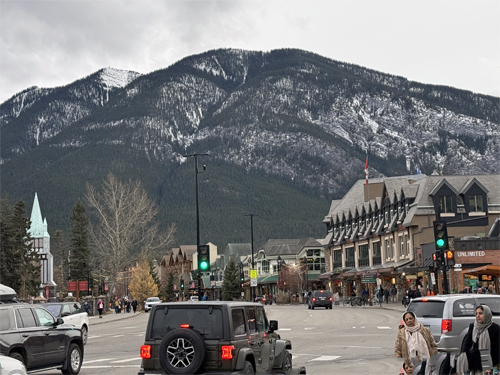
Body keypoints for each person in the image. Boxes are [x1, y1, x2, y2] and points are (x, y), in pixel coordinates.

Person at [455, 304, 500, 374]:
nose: (478, 316)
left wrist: (495, 368)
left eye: (481, 313)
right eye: (476, 313)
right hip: (475, 365)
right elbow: (466, 346)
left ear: (487, 314)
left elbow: (497, 351)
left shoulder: (495, 329)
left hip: (489, 365)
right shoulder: (473, 327)